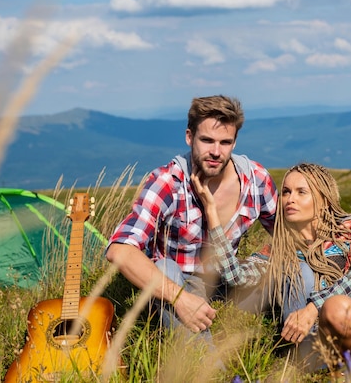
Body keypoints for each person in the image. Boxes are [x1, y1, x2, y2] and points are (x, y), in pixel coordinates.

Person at [193, 162, 351, 378]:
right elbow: (235, 276)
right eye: (285, 192)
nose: (289, 199)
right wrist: (213, 215)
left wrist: (312, 308)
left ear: (323, 199)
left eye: (301, 192)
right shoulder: (278, 251)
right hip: (338, 335)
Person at [105, 95, 278, 338]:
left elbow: (288, 236)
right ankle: (209, 370)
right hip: (181, 281)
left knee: (297, 275)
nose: (216, 152)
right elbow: (120, 250)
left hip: (231, 279)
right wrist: (179, 298)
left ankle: (313, 354)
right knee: (165, 268)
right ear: (189, 137)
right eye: (207, 140)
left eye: (225, 142)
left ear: (235, 142)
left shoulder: (256, 180)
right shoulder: (168, 182)